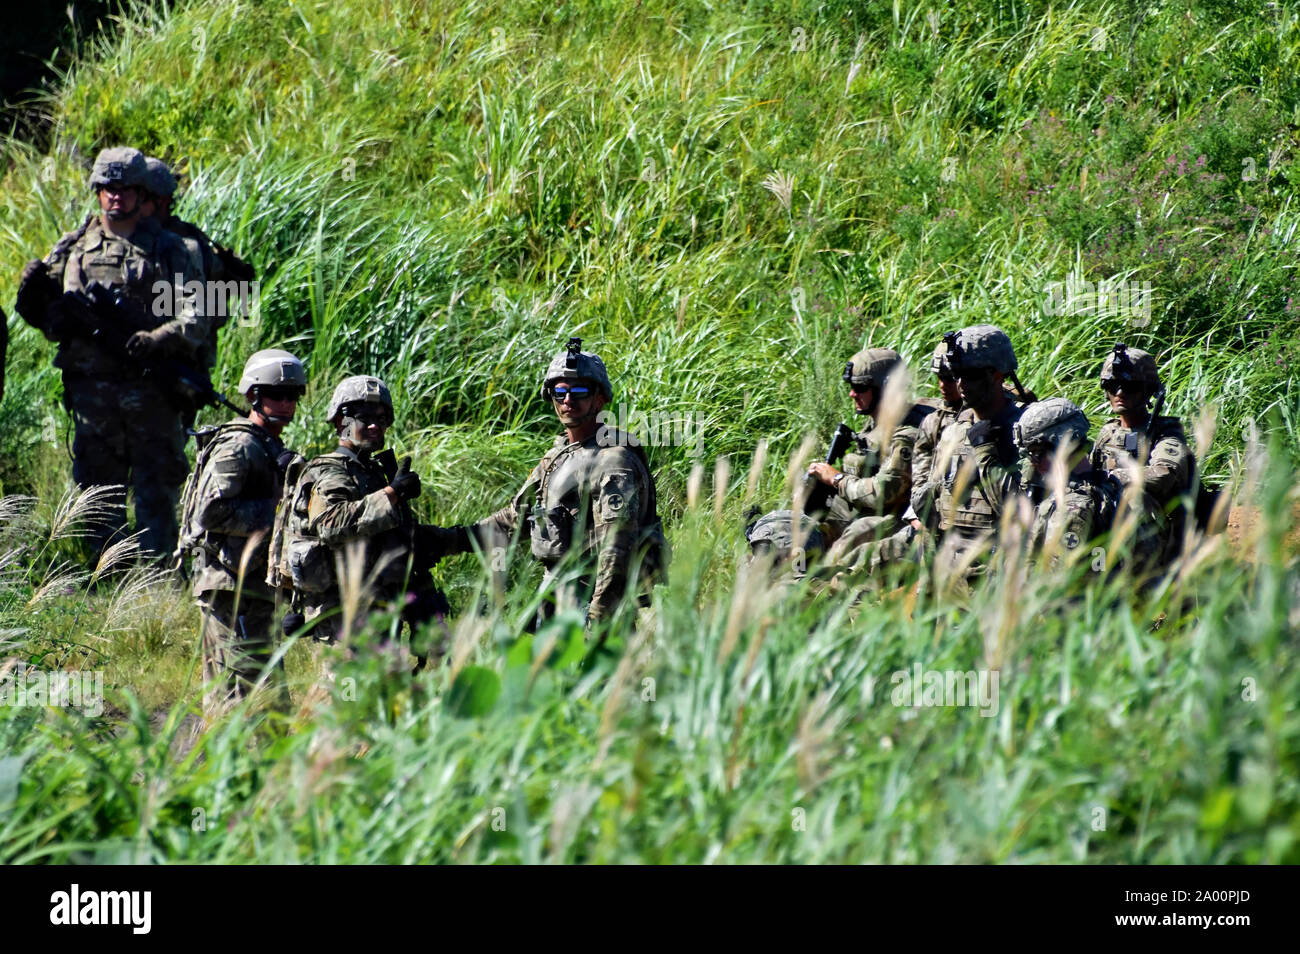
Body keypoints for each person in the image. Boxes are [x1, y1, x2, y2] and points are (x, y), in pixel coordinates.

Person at [14, 146, 204, 561]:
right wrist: (33, 293)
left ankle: (155, 578)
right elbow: (48, 321)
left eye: (125, 188)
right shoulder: (73, 247)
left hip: (153, 390)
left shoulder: (173, 249)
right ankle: (106, 574)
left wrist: (159, 337)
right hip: (92, 394)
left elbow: (196, 316)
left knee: (157, 484)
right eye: (107, 188)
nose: (115, 196)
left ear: (141, 193)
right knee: (99, 488)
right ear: (96, 191)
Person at [469, 338, 665, 631]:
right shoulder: (561, 454)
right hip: (555, 598)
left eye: (579, 391)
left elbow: (616, 551)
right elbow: (514, 519)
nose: (567, 400)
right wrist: (443, 540)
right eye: (559, 392)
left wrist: (597, 623)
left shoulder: (613, 461)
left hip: (589, 605)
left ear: (599, 399)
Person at [278, 375, 457, 660]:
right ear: (341, 422)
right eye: (365, 418)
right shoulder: (329, 471)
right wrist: (392, 493)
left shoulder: (370, 471)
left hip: (378, 610)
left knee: (381, 699)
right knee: (348, 699)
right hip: (344, 618)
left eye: (382, 418)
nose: (375, 425)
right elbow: (330, 524)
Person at [179, 349, 306, 718]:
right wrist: (277, 509)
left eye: (292, 395)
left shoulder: (267, 445)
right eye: (275, 394)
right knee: (245, 703)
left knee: (261, 703)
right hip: (232, 592)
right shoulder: (240, 446)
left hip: (253, 590)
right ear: (254, 395)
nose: (285, 402)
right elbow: (209, 512)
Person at [806, 348, 933, 572]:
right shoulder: (877, 422)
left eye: (860, 388)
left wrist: (836, 479)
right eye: (852, 387)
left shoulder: (907, 432)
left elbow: (884, 492)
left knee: (844, 548)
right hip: (860, 510)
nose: (852, 394)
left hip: (899, 518)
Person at [930, 324, 1032, 592]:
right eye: (957, 374)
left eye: (970, 375)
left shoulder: (1027, 430)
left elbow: (1024, 513)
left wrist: (986, 450)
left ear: (997, 375)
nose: (961, 384)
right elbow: (933, 502)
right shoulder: (953, 432)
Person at [141, 156, 256, 370]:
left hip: (178, 361)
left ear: (163, 200)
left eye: (142, 196)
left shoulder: (185, 246)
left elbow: (195, 314)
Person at [1089, 344, 1193, 563]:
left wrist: (1112, 479)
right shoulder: (1108, 432)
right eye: (1112, 385)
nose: (1119, 393)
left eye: (1129, 386)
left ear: (1148, 391)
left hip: (1160, 538)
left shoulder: (1165, 432)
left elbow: (1165, 473)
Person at [1012, 397, 1119, 570]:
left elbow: (1055, 580)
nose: (1033, 462)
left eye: (1037, 453)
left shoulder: (1073, 506)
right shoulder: (1104, 484)